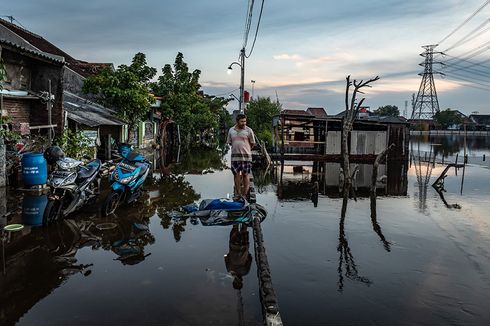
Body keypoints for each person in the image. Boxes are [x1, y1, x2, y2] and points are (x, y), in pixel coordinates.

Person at [227, 113, 256, 199]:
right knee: (236, 175)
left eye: (245, 121)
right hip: (234, 157)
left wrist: (245, 150)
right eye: (242, 121)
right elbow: (229, 142)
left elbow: (253, 143)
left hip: (246, 157)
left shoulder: (249, 130)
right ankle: (238, 194)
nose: (244, 123)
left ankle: (244, 195)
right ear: (237, 121)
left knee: (245, 175)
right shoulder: (231, 130)